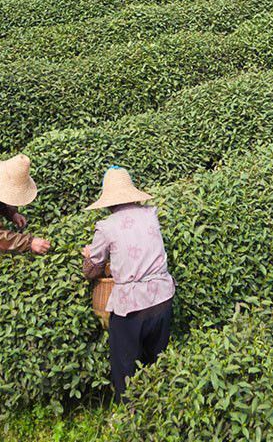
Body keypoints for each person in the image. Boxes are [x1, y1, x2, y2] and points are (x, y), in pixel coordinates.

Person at [82, 166, 175, 402]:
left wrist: (88, 255)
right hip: (163, 298)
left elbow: (91, 270)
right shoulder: (150, 214)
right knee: (157, 359)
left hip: (132, 307)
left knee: (125, 366)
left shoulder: (106, 227)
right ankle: (160, 406)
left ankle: (129, 414)